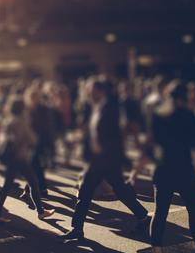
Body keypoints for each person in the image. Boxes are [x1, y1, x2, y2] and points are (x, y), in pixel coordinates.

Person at [136, 80, 195, 253]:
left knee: (160, 211)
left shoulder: (158, 114)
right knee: (193, 207)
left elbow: (149, 141)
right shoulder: (186, 114)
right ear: (185, 96)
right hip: (182, 169)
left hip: (161, 169)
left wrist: (139, 166)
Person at [61, 77, 150, 241]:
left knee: (89, 191)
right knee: (115, 190)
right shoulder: (92, 107)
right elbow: (91, 130)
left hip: (107, 158)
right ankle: (143, 216)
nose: (88, 93)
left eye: (91, 90)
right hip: (97, 159)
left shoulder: (112, 108)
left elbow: (117, 133)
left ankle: (77, 229)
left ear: (100, 91)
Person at [0, 97, 55, 224]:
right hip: (20, 158)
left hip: (11, 157)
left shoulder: (9, 121)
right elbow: (32, 139)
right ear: (22, 109)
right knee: (33, 182)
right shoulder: (21, 122)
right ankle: (41, 212)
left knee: (8, 186)